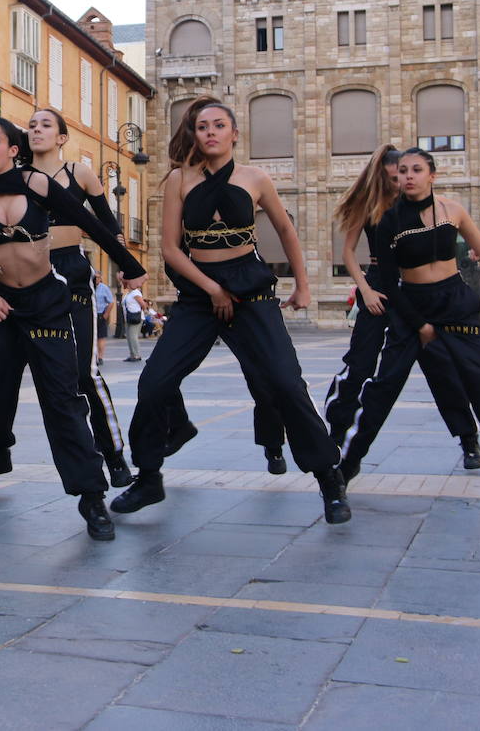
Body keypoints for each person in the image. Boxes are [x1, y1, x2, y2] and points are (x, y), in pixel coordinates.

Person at [111, 101, 350, 524]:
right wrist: (211, 288)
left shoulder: (255, 178)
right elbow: (169, 249)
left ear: (235, 133)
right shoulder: (178, 181)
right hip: (199, 294)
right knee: (154, 383)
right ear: (195, 134)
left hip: (252, 291)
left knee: (285, 384)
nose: (210, 132)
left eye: (219, 125)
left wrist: (304, 285)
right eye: (202, 126)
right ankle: (149, 477)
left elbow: (285, 230)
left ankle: (329, 478)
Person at [0, 117, 147, 541]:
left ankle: (91, 498)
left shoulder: (37, 183)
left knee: (63, 398)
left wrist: (132, 267)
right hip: (0, 306)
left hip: (46, 303)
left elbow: (94, 224)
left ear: (13, 148)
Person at [343, 148, 480, 508]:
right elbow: (391, 283)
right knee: (382, 390)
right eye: (402, 172)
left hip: (455, 304)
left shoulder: (452, 210)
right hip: (410, 306)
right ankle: (343, 472)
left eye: (416, 170)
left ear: (432, 175)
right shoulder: (387, 220)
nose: (407, 176)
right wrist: (420, 325)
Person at [0, 108, 135, 487]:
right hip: (18, 277)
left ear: (62, 137)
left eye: (46, 125)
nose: (36, 130)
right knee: (2, 369)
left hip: (69, 274)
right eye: (31, 125)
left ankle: (112, 454)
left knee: (82, 372)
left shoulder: (80, 173)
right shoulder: (12, 175)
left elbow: (106, 223)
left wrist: (123, 260)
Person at [323, 145, 480, 471]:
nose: (402, 177)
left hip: (413, 289)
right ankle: (338, 430)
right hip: (378, 286)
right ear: (383, 172)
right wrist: (366, 291)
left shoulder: (415, 205)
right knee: (360, 362)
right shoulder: (370, 205)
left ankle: (468, 438)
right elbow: (349, 253)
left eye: (408, 171)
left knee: (440, 367)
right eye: (395, 170)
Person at [122, 286, 147, 362]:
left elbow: (143, 304)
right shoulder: (128, 294)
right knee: (129, 337)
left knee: (133, 336)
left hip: (136, 318)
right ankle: (132, 354)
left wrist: (140, 313)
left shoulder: (136, 293)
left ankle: (137, 355)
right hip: (128, 318)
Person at [93, 274, 114, 366]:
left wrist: (106, 314)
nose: (96, 279)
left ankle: (100, 357)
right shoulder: (88, 286)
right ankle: (93, 356)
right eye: (94, 277)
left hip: (100, 314)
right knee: (92, 337)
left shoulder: (104, 288)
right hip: (90, 315)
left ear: (100, 278)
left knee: (101, 337)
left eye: (97, 277)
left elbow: (111, 302)